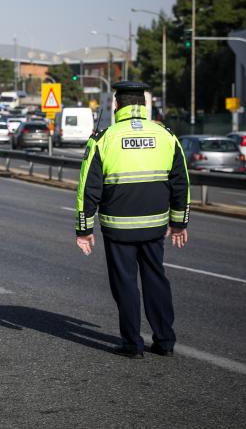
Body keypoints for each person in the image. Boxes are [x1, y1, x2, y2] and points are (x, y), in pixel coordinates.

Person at [74, 81, 190, 359]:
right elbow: (180, 182)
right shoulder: (165, 135)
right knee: (156, 280)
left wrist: (84, 229)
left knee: (125, 284)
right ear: (144, 106)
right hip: (155, 227)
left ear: (116, 105)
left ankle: (132, 345)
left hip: (118, 229)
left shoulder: (105, 139)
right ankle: (164, 341)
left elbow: (87, 188)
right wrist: (179, 223)